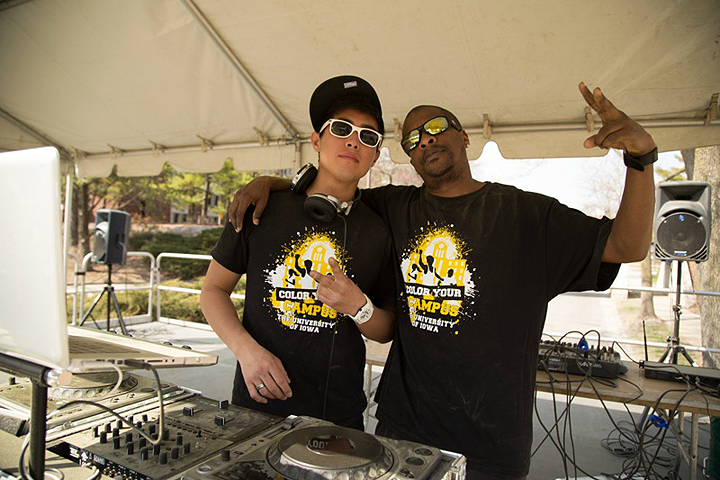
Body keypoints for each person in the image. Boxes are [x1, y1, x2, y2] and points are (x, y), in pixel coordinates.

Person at [227, 82, 656, 478]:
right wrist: (272, 185)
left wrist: (640, 157)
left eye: (435, 127)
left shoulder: (526, 215)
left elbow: (628, 245)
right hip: (403, 429)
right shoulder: (393, 207)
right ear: (409, 157)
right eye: (413, 138)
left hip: (492, 441)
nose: (426, 139)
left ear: (464, 136)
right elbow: (332, 188)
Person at [200, 75, 397, 431]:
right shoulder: (259, 206)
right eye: (341, 128)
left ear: (375, 155)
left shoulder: (379, 230)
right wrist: (246, 350)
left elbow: (385, 329)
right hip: (257, 404)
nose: (354, 141)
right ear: (317, 140)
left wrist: (358, 306)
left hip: (338, 414)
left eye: (368, 136)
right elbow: (213, 291)